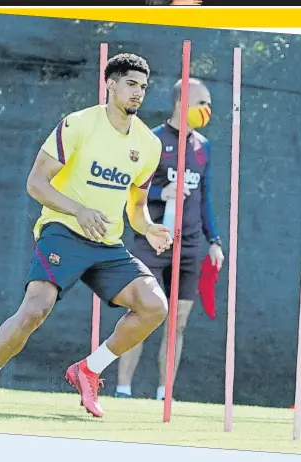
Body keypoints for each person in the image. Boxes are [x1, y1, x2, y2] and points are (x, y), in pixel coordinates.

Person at [0, 52, 172, 418]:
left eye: (143, 87)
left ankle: (88, 369)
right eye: (131, 84)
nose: (138, 93)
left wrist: (148, 228)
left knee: (155, 307)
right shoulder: (78, 125)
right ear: (110, 84)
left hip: (106, 243)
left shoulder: (148, 145)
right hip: (63, 231)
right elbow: (36, 183)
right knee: (34, 309)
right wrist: (78, 210)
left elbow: (135, 208)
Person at [115, 77, 225, 401]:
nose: (207, 110)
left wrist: (214, 240)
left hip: (189, 246)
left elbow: (204, 198)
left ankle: (165, 394)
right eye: (202, 103)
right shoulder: (151, 141)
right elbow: (129, 192)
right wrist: (160, 194)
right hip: (152, 240)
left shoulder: (203, 147)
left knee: (177, 323)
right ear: (181, 103)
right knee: (140, 314)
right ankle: (122, 390)